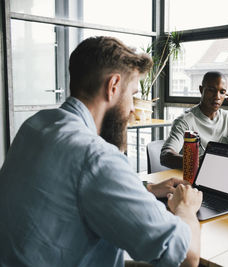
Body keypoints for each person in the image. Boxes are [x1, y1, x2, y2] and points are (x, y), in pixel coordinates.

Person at [0, 37, 203, 267]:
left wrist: (147, 189)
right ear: (113, 86)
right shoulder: (95, 156)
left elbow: (76, 187)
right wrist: (186, 208)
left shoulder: (36, 126)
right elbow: (188, 256)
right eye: (133, 95)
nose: (133, 110)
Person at [161, 71, 228, 169]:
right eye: (211, 90)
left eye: (222, 92)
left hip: (221, 174)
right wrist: (197, 163)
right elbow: (165, 156)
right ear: (201, 90)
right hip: (191, 179)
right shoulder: (185, 121)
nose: (217, 96)